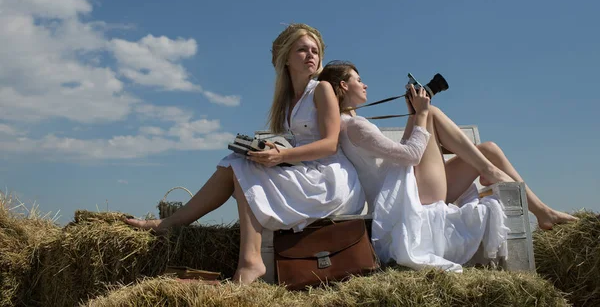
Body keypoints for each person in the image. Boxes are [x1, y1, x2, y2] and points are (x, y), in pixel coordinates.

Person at [125, 26, 365, 284]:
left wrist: (282, 156)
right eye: (302, 50)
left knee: (242, 167)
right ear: (286, 58)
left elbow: (330, 144)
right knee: (236, 162)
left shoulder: (322, 89)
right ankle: (175, 226)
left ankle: (245, 259)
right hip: (306, 169)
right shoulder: (287, 100)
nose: (311, 55)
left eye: (315, 51)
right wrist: (272, 151)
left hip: (329, 179)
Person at [318, 60, 577, 271]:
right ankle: (489, 172)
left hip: (407, 188)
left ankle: (542, 212)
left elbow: (402, 153)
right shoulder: (354, 125)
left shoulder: (351, 124)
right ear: (344, 85)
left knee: (488, 149)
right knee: (432, 114)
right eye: (358, 79)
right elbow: (410, 155)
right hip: (404, 201)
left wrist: (414, 113)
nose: (365, 84)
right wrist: (420, 113)